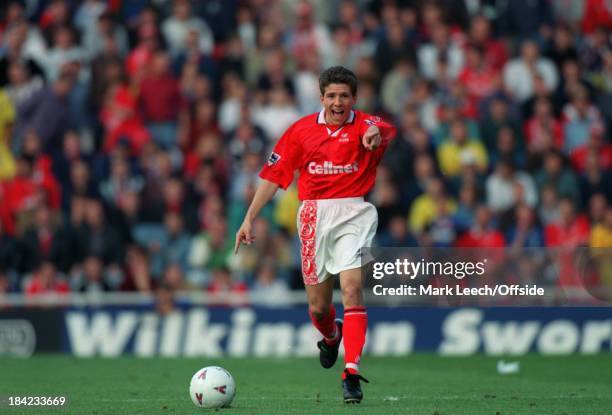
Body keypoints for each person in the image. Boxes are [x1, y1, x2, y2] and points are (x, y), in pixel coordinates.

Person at [234, 66, 396, 403]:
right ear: (321, 97)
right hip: (313, 215)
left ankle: (351, 372)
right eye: (332, 96)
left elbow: (382, 128)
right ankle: (331, 335)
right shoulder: (299, 132)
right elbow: (272, 177)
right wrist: (249, 218)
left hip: (354, 212)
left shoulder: (366, 124)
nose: (338, 102)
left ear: (354, 99)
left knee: (352, 290)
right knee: (319, 308)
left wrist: (374, 135)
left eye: (345, 96)